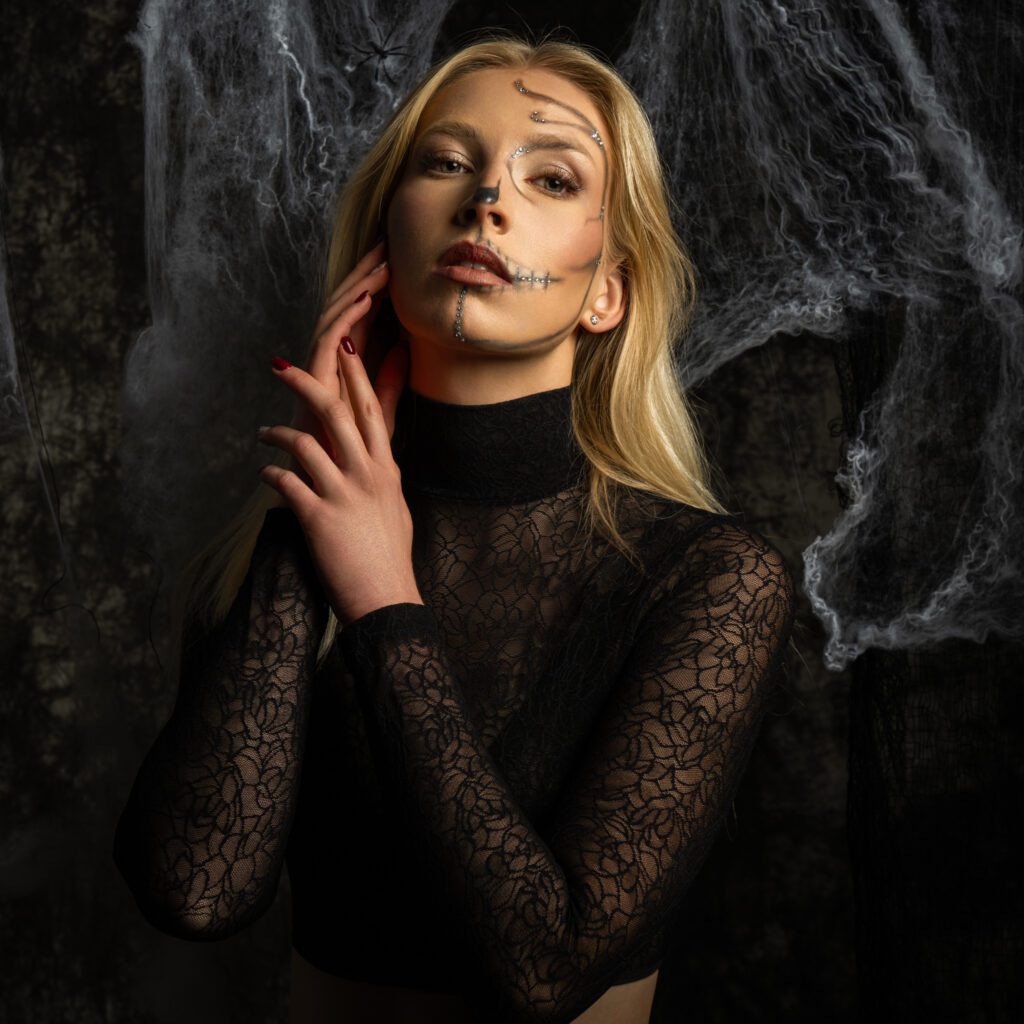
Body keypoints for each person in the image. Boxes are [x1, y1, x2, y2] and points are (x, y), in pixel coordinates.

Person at [112, 33, 797, 1024]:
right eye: (445, 162)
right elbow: (195, 890)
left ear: (607, 290)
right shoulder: (269, 554)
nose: (486, 200)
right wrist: (319, 500)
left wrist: (385, 603)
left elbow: (544, 969)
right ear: (385, 238)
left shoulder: (710, 576)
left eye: (551, 178)